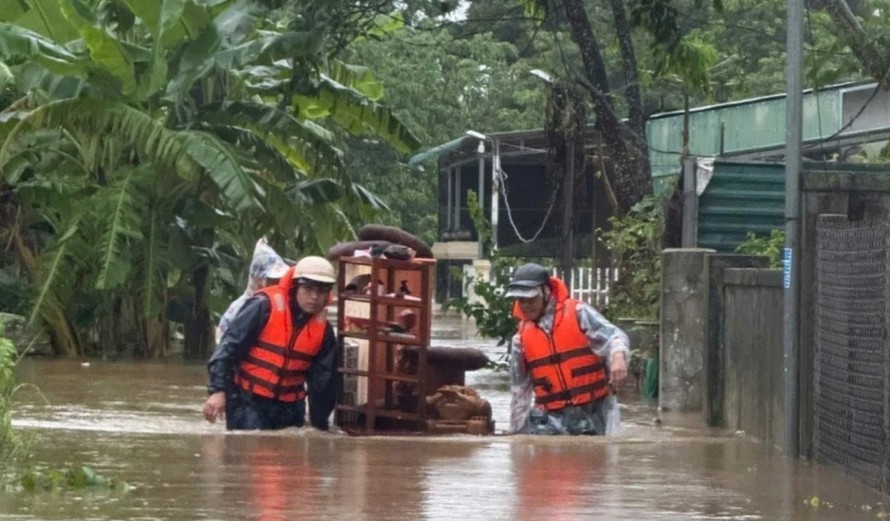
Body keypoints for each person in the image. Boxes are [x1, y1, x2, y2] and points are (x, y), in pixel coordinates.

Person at [203, 256, 338, 431]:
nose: (314, 297)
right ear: (295, 286)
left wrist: (320, 427)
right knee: (251, 444)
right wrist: (218, 391)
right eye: (308, 288)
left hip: (290, 408)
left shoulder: (324, 332)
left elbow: (323, 384)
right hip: (248, 400)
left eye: (322, 291)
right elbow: (227, 349)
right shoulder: (262, 307)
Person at [506, 262, 630, 435]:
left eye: (531, 299)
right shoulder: (520, 340)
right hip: (550, 418)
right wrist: (515, 435)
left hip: (594, 410)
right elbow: (519, 391)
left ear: (546, 292)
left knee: (600, 449)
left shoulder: (578, 313)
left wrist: (618, 357)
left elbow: (614, 337)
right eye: (521, 300)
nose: (526, 305)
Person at [215, 238, 291, 344]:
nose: (277, 284)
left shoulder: (284, 307)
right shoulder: (239, 309)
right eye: (272, 280)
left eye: (280, 279)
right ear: (258, 279)